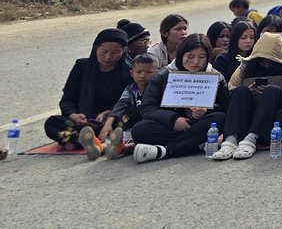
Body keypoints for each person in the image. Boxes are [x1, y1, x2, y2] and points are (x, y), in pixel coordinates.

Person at [131, 34, 230, 164]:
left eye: (202, 57)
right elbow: (147, 107)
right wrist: (173, 120)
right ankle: (196, 143)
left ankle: (166, 150)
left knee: (220, 118)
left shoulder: (216, 76)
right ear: (181, 55)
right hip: (171, 126)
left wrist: (206, 110)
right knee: (140, 129)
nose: (196, 62)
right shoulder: (163, 75)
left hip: (200, 123)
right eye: (190, 56)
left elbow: (226, 106)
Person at [211, 32, 282, 160]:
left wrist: (279, 93)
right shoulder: (245, 67)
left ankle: (251, 138)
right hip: (249, 110)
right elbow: (231, 88)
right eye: (263, 62)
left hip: (272, 114)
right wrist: (249, 90)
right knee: (240, 91)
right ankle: (230, 140)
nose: (267, 65)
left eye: (272, 62)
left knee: (272, 90)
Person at [45, 28, 131, 156]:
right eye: (104, 51)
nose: (108, 57)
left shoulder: (128, 70)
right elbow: (67, 99)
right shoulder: (82, 67)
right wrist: (74, 115)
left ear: (123, 52)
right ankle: (88, 139)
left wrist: (108, 114)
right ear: (96, 49)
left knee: (132, 114)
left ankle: (80, 140)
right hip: (84, 123)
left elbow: (130, 100)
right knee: (52, 123)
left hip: (112, 120)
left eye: (115, 52)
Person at [95, 53, 158, 160]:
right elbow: (120, 105)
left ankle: (106, 147)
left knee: (136, 112)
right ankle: (99, 147)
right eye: (138, 72)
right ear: (132, 73)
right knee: (123, 115)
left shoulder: (158, 88)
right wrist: (108, 124)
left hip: (148, 125)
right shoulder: (130, 89)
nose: (142, 76)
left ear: (157, 73)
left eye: (149, 72)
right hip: (129, 125)